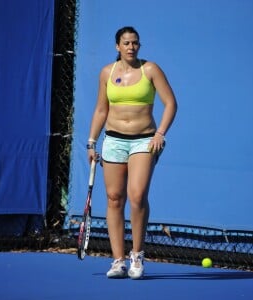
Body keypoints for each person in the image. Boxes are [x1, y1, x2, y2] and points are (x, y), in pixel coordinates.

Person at [86, 26, 177, 279]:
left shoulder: (151, 70)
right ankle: (118, 261)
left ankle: (137, 254)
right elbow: (101, 110)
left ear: (139, 45)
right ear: (117, 46)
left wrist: (160, 134)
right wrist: (92, 142)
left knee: (137, 196)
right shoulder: (107, 72)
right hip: (113, 141)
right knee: (114, 198)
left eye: (135, 43)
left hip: (144, 141)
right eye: (126, 43)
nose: (131, 47)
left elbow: (171, 103)